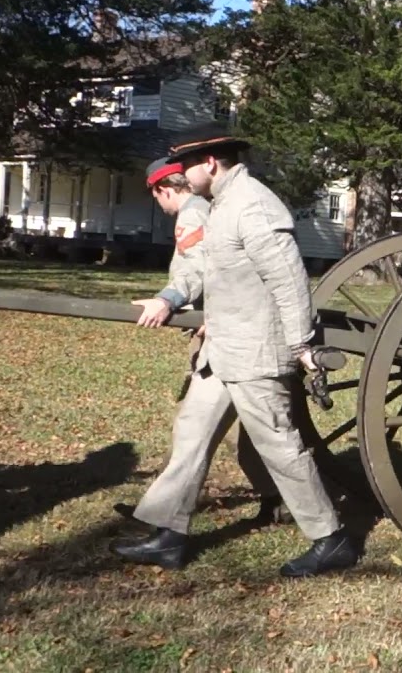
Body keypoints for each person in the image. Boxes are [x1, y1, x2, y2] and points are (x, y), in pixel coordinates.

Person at [112, 122, 356, 576]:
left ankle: (331, 538)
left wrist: (301, 343)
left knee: (280, 445)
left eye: (186, 165)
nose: (181, 174)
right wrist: (169, 298)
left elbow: (289, 280)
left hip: (257, 353)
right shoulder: (219, 206)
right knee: (192, 433)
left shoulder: (254, 206)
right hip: (223, 350)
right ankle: (169, 534)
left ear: (209, 163)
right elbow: (201, 268)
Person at [114, 158, 300, 527]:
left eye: (158, 199)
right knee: (227, 432)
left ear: (163, 189)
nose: (161, 207)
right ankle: (163, 516)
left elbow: (196, 270)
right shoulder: (209, 208)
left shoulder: (193, 214)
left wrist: (167, 299)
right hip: (228, 331)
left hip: (228, 340)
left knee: (217, 431)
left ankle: (294, 508)